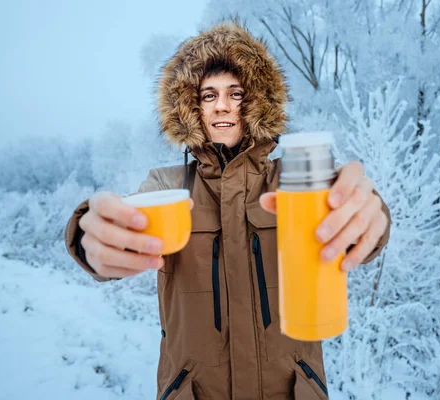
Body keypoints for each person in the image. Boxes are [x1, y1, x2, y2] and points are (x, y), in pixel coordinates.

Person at [64, 21, 391, 400]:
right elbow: (121, 218)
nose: (221, 105)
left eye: (235, 93)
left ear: (255, 103)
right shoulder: (168, 186)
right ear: (191, 107)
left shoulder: (297, 182)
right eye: (208, 95)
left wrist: (367, 216)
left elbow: (352, 207)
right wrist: (91, 234)